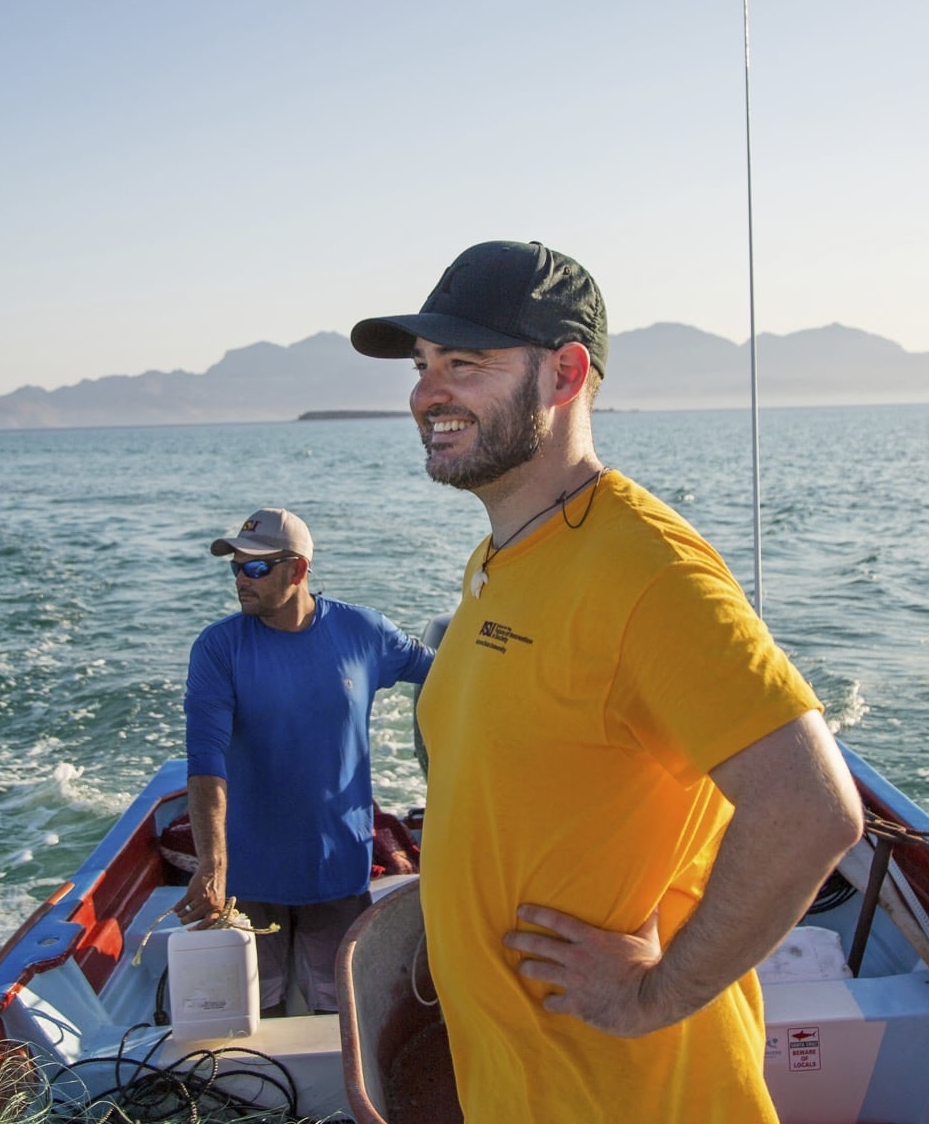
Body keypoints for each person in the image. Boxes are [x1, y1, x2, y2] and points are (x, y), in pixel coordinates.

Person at [350, 241, 865, 1120]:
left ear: (566, 372)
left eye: (464, 364)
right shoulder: (502, 556)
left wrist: (653, 994)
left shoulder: (649, 574)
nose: (426, 393)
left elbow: (812, 809)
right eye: (424, 366)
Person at [173, 507, 435, 1015]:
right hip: (247, 874)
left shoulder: (365, 632)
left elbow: (448, 672)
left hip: (336, 867)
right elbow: (206, 761)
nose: (240, 581)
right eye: (235, 568)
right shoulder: (218, 648)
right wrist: (213, 865)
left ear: (298, 570)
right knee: (250, 1015)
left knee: (341, 1014)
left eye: (255, 568)